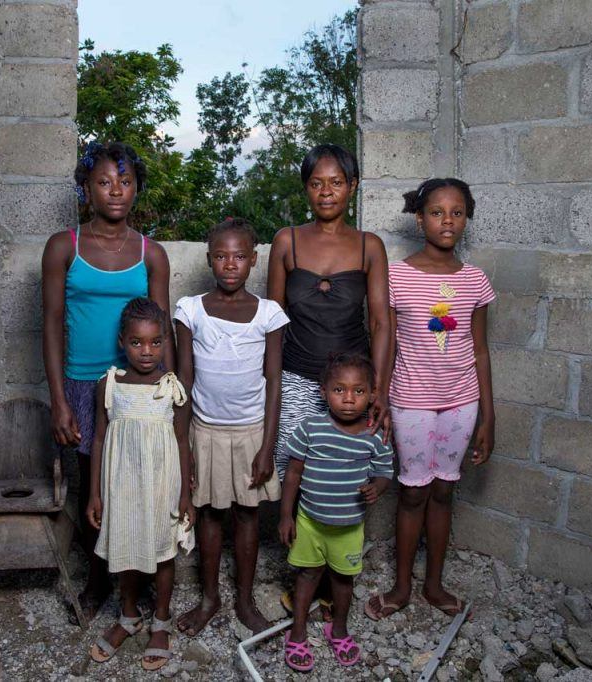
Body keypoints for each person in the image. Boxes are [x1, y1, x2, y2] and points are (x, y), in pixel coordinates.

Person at [41, 141, 172, 620]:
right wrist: (59, 400)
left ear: (136, 188)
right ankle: (97, 584)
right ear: (86, 189)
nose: (115, 191)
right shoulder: (64, 246)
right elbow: (52, 323)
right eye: (103, 182)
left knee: (137, 482)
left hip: (137, 390)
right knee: (92, 485)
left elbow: (164, 328)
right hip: (81, 383)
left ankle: (138, 581)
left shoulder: (151, 253)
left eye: (125, 181)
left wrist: (170, 392)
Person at [266, 142, 392, 617]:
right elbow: (272, 320)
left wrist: (378, 390)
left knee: (346, 475)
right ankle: (304, 572)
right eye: (317, 183)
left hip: (353, 387)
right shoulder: (287, 241)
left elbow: (381, 323)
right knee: (294, 473)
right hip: (298, 378)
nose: (326, 191)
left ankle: (331, 580)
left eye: (336, 182)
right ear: (305, 189)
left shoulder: (369, 246)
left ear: (353, 187)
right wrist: (271, 386)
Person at [365, 178, 495, 621]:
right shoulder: (396, 275)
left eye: (457, 212)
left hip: (462, 401)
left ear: (466, 219)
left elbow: (479, 349)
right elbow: (385, 341)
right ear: (420, 218)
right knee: (413, 493)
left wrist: (487, 418)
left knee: (445, 490)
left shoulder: (475, 280)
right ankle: (401, 587)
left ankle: (434, 585)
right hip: (411, 401)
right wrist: (379, 397)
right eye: (437, 212)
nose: (448, 221)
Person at [173, 218, 289, 636]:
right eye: (221, 256)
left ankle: (244, 598)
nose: (229, 264)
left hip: (251, 433)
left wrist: (267, 446)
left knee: (247, 515)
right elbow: (183, 382)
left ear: (253, 260)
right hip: (205, 432)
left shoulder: (269, 314)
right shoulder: (190, 309)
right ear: (209, 260)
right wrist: (182, 446)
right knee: (209, 515)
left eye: (239, 256)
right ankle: (209, 599)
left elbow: (274, 380)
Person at [86, 298, 194, 671]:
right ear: (122, 342)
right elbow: (98, 439)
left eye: (155, 342)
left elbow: (182, 441)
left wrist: (186, 496)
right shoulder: (109, 385)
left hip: (162, 486)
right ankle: (129, 615)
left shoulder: (172, 388)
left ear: (165, 341)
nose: (146, 351)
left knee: (163, 552)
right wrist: (95, 494)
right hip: (123, 487)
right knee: (127, 549)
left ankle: (160, 620)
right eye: (137, 343)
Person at [278, 352, 394, 672]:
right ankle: (298, 631)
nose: (348, 399)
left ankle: (339, 629)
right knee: (307, 576)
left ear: (372, 395)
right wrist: (286, 515)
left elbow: (385, 473)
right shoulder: (311, 427)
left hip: (348, 527)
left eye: (358, 391)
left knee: (343, 581)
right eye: (339, 390)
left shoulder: (374, 435)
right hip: (310, 522)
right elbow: (293, 473)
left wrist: (378, 488)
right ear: (324, 391)